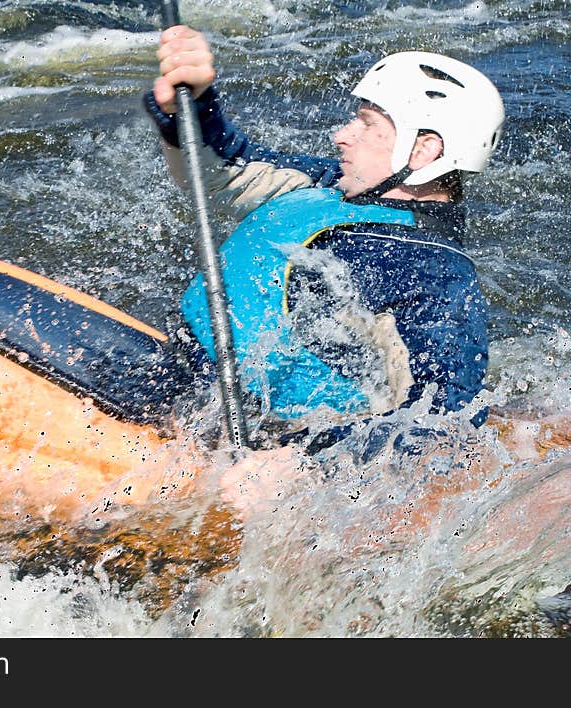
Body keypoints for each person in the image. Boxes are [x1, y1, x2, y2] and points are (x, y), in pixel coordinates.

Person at [144, 26, 504, 427]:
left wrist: (299, 463)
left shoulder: (437, 276)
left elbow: (444, 425)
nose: (341, 136)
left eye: (366, 124)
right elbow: (228, 170)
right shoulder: (337, 185)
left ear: (423, 150)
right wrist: (193, 105)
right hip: (178, 371)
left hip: (255, 438)